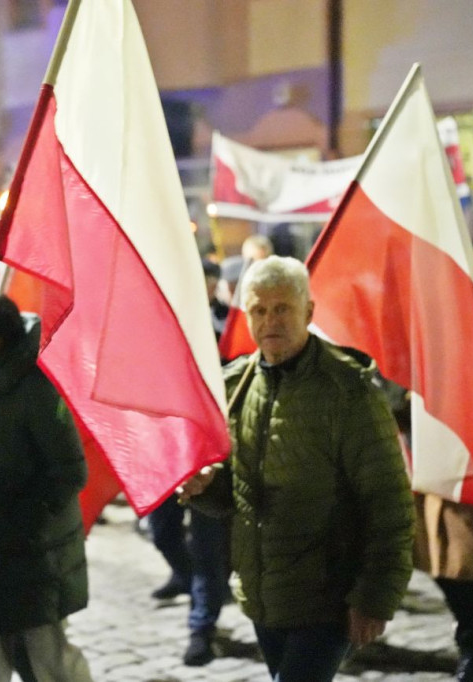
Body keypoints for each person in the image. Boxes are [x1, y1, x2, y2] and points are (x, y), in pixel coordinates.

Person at [181, 256, 415, 682]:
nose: (271, 320)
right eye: (259, 310)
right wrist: (206, 486)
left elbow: (390, 504)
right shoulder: (236, 386)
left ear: (308, 311)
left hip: (328, 598)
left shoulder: (348, 391)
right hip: (265, 597)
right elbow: (238, 496)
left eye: (282, 308)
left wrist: (375, 598)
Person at [0, 295, 92, 682]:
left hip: (33, 552)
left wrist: (24, 518)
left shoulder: (35, 387)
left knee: (47, 659)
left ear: (3, 336)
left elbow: (69, 471)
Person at [145, 258, 231, 666]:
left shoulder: (229, 324)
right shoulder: (164, 322)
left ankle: (202, 626)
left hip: (210, 447)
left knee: (210, 542)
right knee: (160, 529)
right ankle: (187, 574)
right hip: (168, 446)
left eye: (211, 281)